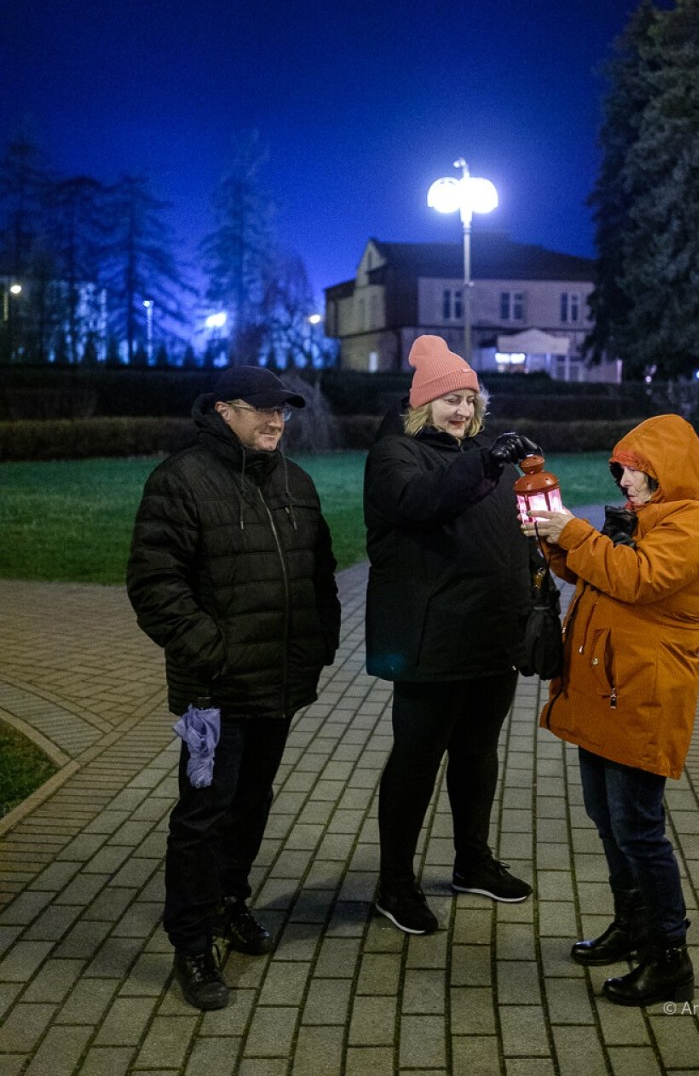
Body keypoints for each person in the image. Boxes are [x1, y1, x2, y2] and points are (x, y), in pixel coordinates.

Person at [126, 365, 341, 1010]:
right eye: (264, 410)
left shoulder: (294, 482)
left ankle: (228, 903)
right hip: (211, 694)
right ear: (225, 410)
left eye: (285, 412)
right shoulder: (181, 479)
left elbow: (320, 575)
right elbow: (155, 585)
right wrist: (210, 653)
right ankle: (192, 941)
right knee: (202, 814)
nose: (277, 420)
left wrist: (319, 642)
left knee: (251, 803)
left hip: (276, 683)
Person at [525, 413, 699, 1006]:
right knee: (607, 817)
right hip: (607, 690)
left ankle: (670, 960)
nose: (625, 482)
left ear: (669, 471)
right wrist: (556, 544)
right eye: (622, 471)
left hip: (644, 696)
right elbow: (598, 580)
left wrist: (578, 536)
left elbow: (637, 579)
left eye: (637, 472)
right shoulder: (641, 520)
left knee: (639, 829)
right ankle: (633, 926)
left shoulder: (696, 525)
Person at [364, 334, 539, 935]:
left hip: (491, 638)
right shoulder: (397, 455)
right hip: (429, 639)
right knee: (416, 761)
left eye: (470, 399)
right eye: (450, 399)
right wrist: (487, 461)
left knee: (477, 753)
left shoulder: (487, 456)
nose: (462, 410)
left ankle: (472, 862)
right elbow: (424, 502)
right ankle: (395, 882)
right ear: (423, 404)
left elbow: (519, 536)